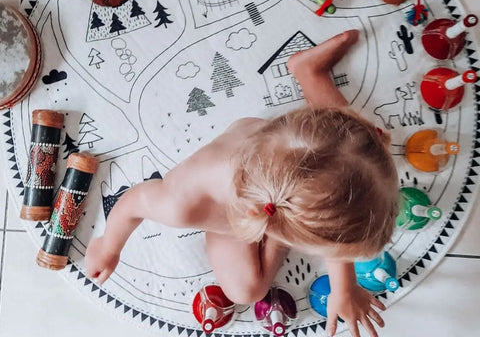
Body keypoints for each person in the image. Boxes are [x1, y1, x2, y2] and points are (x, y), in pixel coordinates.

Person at [85, 29, 399, 337]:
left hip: (285, 151)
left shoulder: (316, 153)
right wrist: (108, 247)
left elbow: (338, 210)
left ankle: (310, 72)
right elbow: (134, 202)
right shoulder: (185, 205)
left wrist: (344, 290)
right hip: (245, 196)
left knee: (362, 144)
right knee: (246, 291)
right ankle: (311, 76)